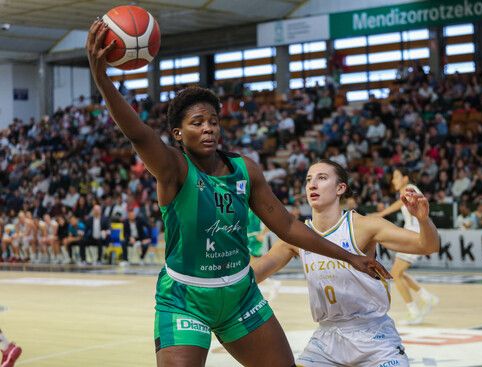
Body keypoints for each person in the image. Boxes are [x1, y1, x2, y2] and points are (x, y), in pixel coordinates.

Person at [87, 20, 388, 367]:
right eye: (197, 122)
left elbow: (287, 227)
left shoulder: (245, 169)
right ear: (178, 134)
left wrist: (349, 256)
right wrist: (102, 77)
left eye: (213, 120)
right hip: (185, 297)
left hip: (240, 295)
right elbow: (139, 135)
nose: (208, 128)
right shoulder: (173, 168)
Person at [252, 160, 440, 366]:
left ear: (340, 188)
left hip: (374, 337)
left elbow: (427, 246)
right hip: (326, 341)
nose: (312, 184)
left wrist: (423, 220)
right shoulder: (295, 237)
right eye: (308, 180)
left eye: (322, 178)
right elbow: (252, 276)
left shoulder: (364, 226)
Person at [373, 167, 440, 325]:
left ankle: (414, 311)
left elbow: (400, 203)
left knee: (395, 273)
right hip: (413, 234)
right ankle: (427, 297)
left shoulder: (410, 189)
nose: (392, 180)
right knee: (399, 273)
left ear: (405, 178)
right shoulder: (408, 191)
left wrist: (381, 214)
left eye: (396, 176)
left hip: (416, 235)